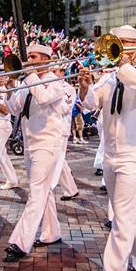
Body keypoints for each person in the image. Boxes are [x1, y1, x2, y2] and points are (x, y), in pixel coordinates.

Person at [78, 25, 136, 271]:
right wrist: (85, 86)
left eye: (125, 43)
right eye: (117, 44)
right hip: (112, 154)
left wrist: (123, 65)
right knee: (122, 211)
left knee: (121, 217)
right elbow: (91, 105)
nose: (120, 48)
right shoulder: (109, 77)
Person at [3, 44, 72, 262]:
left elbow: (43, 97)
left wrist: (30, 76)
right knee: (44, 192)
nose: (28, 60)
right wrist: (11, 87)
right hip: (30, 142)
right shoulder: (27, 82)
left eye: (32, 57)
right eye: (28, 57)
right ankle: (52, 232)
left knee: (36, 193)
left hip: (47, 143)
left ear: (45, 59)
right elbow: (15, 109)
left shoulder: (56, 83)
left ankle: (20, 242)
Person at [54, 64, 80, 202]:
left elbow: (66, 108)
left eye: (55, 71)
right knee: (59, 159)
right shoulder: (48, 86)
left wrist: (49, 99)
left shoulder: (68, 88)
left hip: (61, 128)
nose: (51, 74)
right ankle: (71, 189)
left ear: (62, 73)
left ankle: (51, 187)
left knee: (57, 159)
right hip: (51, 128)